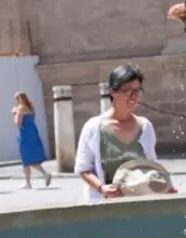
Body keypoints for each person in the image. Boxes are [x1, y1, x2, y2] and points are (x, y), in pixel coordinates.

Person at [75, 65, 177, 202]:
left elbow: (151, 167)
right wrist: (101, 188)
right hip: (104, 206)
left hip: (139, 206)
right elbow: (84, 169)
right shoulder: (93, 128)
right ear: (112, 92)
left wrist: (164, 187)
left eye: (137, 91)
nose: (134, 96)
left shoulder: (145, 127)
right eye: (128, 91)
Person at [12, 91, 52, 189]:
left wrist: (14, 113)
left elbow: (18, 123)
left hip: (25, 134)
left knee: (26, 158)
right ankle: (37, 177)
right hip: (32, 133)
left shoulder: (20, 108)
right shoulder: (30, 108)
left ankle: (30, 182)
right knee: (30, 158)